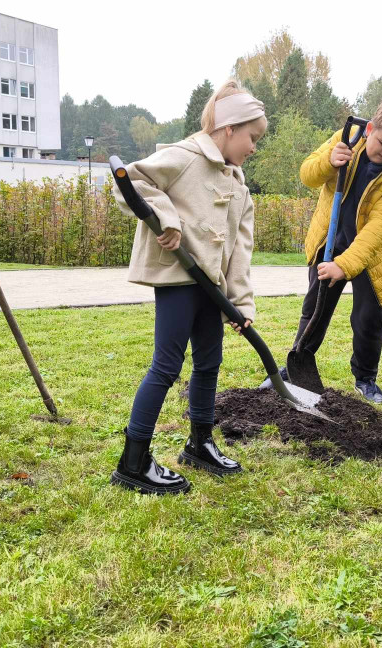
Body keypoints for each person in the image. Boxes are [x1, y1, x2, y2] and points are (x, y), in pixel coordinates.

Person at [109, 81, 265, 495]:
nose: (254, 148)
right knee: (167, 365)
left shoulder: (239, 185)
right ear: (229, 128)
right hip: (179, 279)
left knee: (209, 363)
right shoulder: (183, 156)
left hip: (211, 289)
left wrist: (241, 303)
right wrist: (167, 218)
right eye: (253, 138)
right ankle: (133, 460)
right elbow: (131, 181)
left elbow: (240, 249)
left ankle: (200, 444)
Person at [285, 97, 382, 403]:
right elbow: (307, 174)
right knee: (315, 308)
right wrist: (329, 162)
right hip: (329, 240)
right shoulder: (345, 139)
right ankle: (296, 364)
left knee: (369, 317)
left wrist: (344, 266)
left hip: (371, 254)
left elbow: (380, 227)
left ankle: (365, 378)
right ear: (370, 128)